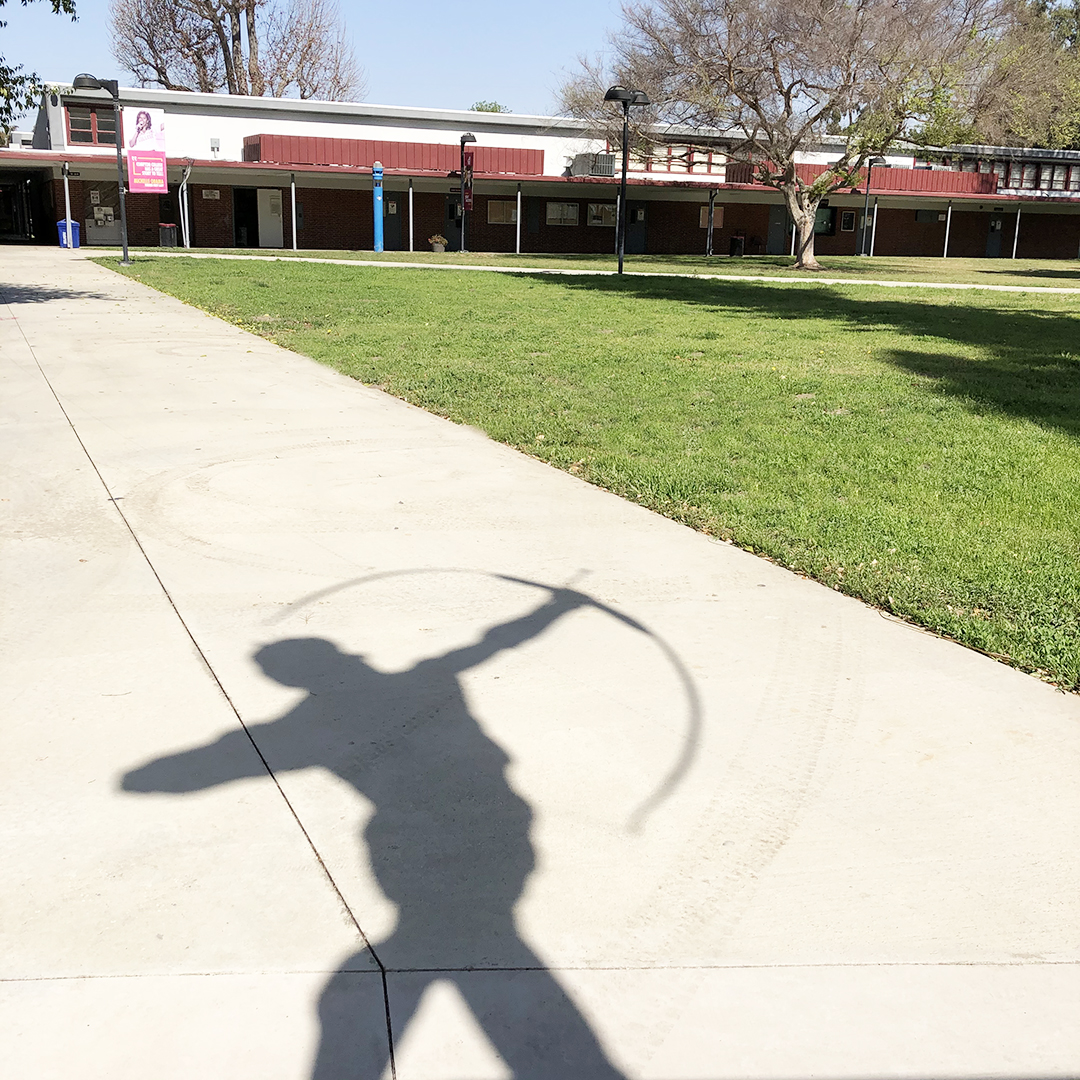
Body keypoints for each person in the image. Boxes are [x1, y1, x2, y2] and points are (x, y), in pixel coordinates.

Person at [123, 586, 627, 1079]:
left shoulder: (310, 725)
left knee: (377, 985)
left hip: (440, 857)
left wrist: (555, 606)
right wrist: (557, 605)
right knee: (458, 957)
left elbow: (167, 776)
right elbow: (497, 640)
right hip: (496, 837)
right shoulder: (430, 678)